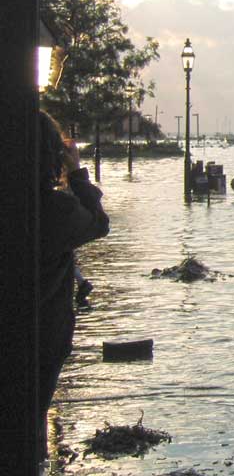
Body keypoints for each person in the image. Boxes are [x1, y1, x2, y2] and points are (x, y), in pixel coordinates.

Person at [38, 110, 109, 463]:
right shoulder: (53, 209)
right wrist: (78, 172)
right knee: (30, 422)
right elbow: (97, 223)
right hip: (42, 337)